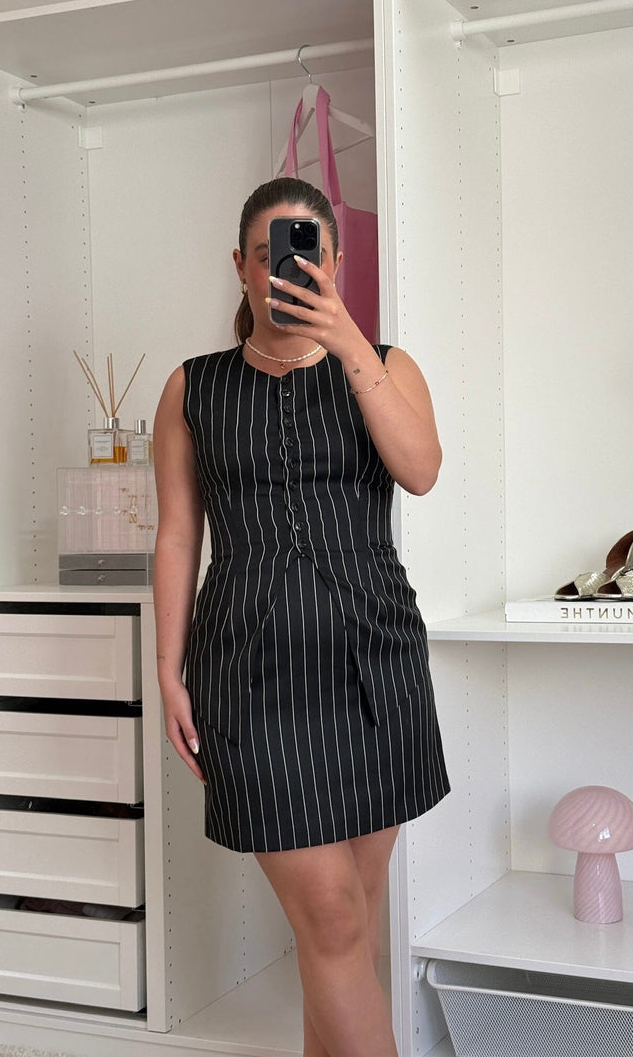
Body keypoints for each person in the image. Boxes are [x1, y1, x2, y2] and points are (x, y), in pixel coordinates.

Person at [153, 177, 450, 1057]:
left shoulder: (385, 364)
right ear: (241, 266)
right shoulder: (192, 388)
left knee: (352, 919)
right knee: (332, 920)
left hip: (377, 667)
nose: (286, 271)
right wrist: (166, 670)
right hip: (249, 675)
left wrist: (345, 336)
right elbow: (178, 534)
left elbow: (421, 470)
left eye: (306, 255)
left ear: (334, 263)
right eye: (268, 255)